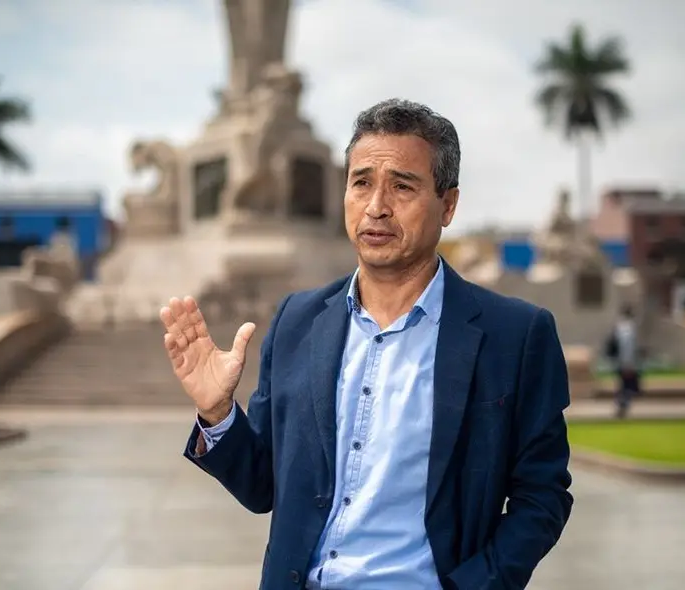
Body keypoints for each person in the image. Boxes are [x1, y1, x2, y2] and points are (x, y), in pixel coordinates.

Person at [160, 99, 573, 589]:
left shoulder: (515, 336)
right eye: (361, 183)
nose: (376, 206)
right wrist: (218, 415)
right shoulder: (298, 321)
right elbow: (263, 486)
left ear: (448, 204)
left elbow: (543, 494)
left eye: (402, 185)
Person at [610, 305, 641, 418]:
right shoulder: (628, 328)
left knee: (623, 385)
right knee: (627, 385)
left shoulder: (620, 326)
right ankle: (622, 406)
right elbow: (627, 347)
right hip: (626, 362)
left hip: (621, 361)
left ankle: (622, 406)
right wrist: (628, 363)